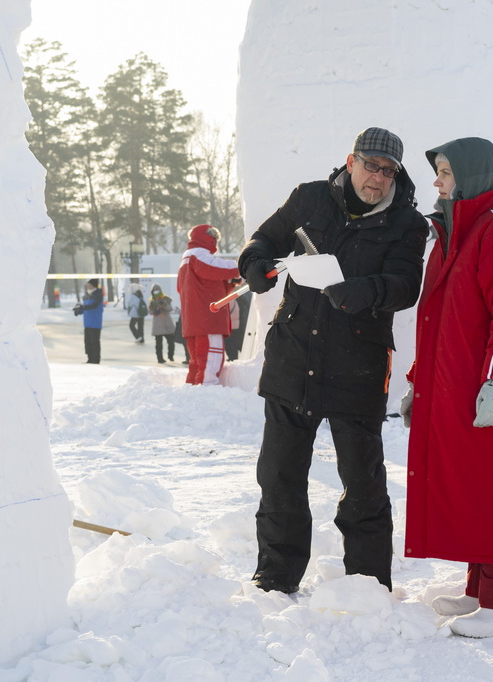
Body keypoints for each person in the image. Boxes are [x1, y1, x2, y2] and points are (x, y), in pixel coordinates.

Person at [238, 127, 428, 594]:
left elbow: (407, 285)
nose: (378, 178)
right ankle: (275, 577)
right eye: (370, 165)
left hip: (357, 367)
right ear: (350, 161)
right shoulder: (309, 199)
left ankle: (366, 583)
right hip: (293, 359)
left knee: (363, 487)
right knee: (280, 477)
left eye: (388, 171)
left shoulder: (407, 223)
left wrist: (365, 291)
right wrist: (256, 267)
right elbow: (261, 241)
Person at [401, 137, 493, 638]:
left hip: (492, 387)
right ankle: (481, 592)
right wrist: (419, 384)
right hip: (458, 388)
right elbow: (440, 321)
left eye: (445, 171)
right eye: (438, 171)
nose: (437, 181)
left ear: (473, 175)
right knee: (472, 483)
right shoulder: (453, 233)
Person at [176, 224, 239, 385]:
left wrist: (230, 282)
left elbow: (207, 286)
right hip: (208, 319)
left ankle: (193, 390)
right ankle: (206, 390)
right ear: (209, 237)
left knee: (197, 362)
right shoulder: (198, 254)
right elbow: (214, 268)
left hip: (195, 320)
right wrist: (241, 266)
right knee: (211, 358)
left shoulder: (187, 259)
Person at [72, 279, 104, 364]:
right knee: (88, 343)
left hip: (95, 323)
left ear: (94, 285)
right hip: (87, 323)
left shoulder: (98, 295)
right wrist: (79, 311)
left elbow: (94, 306)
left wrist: (82, 307)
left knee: (94, 343)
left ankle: (95, 360)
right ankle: (90, 359)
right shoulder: (87, 295)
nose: (88, 286)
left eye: (89, 285)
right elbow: (86, 307)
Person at [148, 283, 177, 363]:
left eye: (157, 289)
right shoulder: (152, 300)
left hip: (167, 323)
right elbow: (150, 312)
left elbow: (170, 308)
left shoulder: (165, 298)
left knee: (171, 341)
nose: (156, 291)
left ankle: (170, 356)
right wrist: (153, 308)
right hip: (157, 324)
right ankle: (160, 358)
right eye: (154, 290)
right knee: (158, 343)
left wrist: (164, 305)